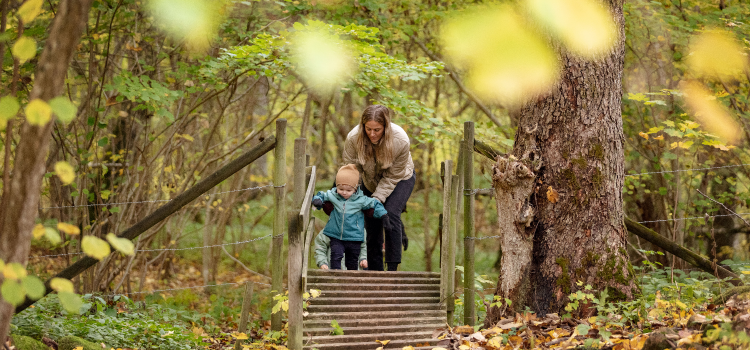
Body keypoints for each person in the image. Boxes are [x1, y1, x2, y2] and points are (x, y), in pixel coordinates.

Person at [343, 105, 415, 271]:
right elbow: (350, 167)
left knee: (390, 212)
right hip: (368, 180)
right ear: (363, 126)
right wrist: (356, 195)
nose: (372, 134)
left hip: (400, 178)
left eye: (377, 129)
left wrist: (376, 200)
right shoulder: (353, 138)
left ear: (386, 126)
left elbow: (392, 177)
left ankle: (392, 269)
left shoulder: (400, 140)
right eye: (368, 129)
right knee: (372, 218)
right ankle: (375, 271)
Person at [311, 164, 387, 270]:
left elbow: (374, 203)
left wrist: (383, 214)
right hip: (336, 235)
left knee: (352, 260)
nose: (344, 193)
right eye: (340, 189)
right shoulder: (333, 195)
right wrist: (317, 200)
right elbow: (322, 195)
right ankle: (335, 277)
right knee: (335, 256)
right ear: (336, 186)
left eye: (348, 190)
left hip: (354, 236)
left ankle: (351, 281)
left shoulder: (360, 200)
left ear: (355, 189)